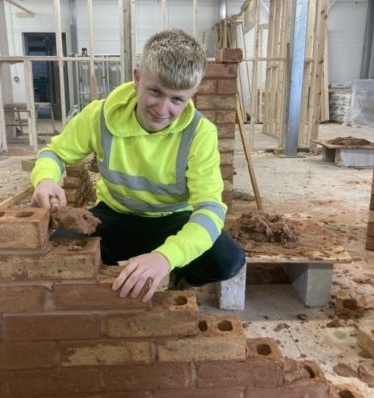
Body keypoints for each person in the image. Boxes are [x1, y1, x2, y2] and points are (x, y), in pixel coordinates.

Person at [31, 29, 245, 303]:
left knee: (226, 259)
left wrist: (166, 257)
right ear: (136, 78)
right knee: (59, 245)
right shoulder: (100, 114)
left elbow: (210, 209)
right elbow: (55, 152)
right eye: (155, 91)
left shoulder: (200, 133)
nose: (162, 108)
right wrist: (46, 179)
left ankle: (183, 277)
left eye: (177, 99)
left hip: (172, 219)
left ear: (192, 95)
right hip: (114, 216)